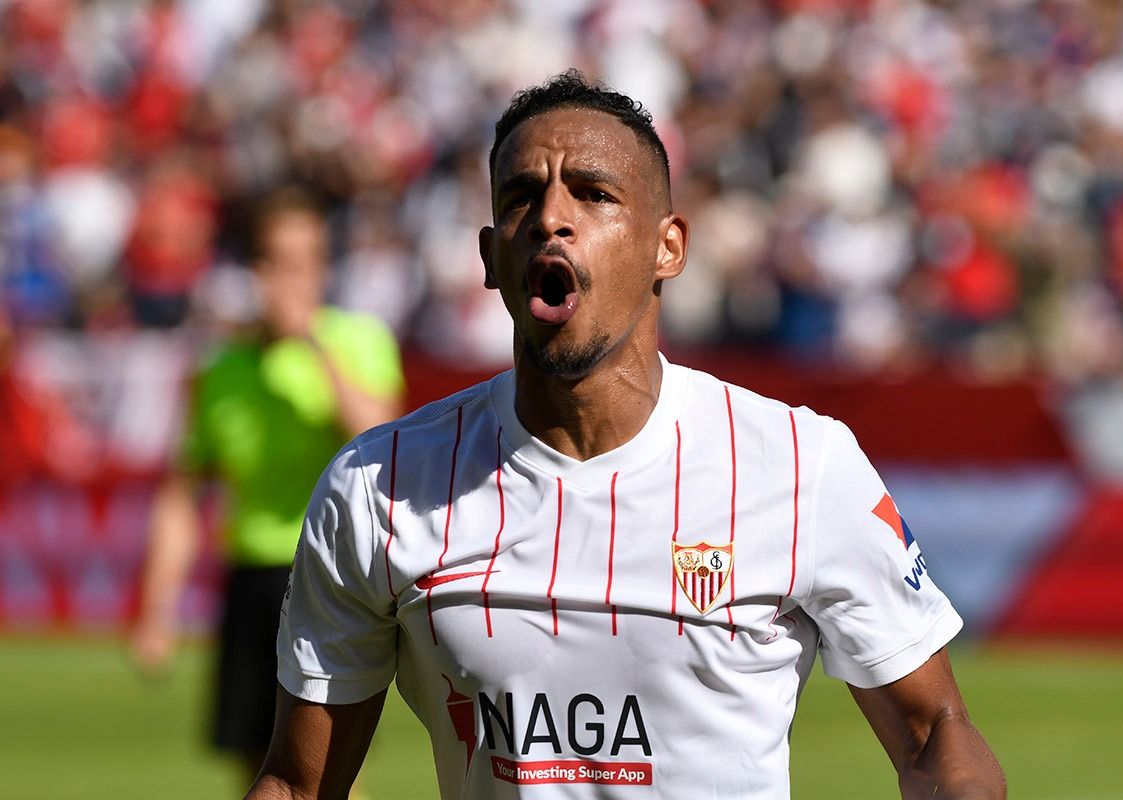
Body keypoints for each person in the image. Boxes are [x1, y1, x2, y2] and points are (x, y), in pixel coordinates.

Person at [251, 72, 1005, 799]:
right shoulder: (377, 487)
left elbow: (935, 731)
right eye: (522, 197)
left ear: (667, 247)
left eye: (593, 193)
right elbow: (298, 783)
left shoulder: (803, 466)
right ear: (490, 258)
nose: (551, 216)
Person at [129, 187, 403, 785]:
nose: (293, 278)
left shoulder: (358, 342)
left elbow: (384, 440)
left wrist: (312, 345)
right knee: (250, 765)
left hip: (331, 577)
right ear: (255, 270)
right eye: (280, 261)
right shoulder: (222, 369)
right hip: (250, 578)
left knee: (321, 768)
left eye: (306, 261)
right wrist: (156, 610)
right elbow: (183, 495)